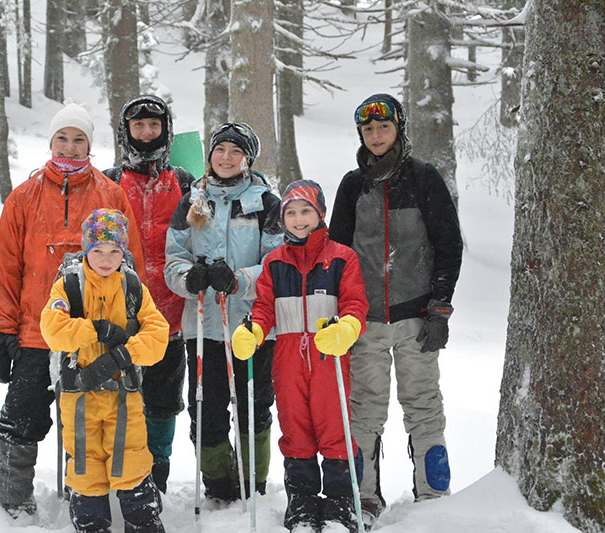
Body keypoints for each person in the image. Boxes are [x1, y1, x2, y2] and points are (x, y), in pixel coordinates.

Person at [0, 101, 146, 519]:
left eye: (79, 140)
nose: (71, 147)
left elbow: (134, 268)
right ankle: (13, 502)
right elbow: (5, 269)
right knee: (21, 417)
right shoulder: (24, 197)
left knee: (97, 421)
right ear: (51, 140)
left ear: (90, 144)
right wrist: (0, 330)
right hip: (37, 332)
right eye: (63, 138)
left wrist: (130, 326)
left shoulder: (111, 194)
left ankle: (98, 497)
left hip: (99, 335)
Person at [328, 93, 463, 527]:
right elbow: (338, 252)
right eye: (368, 130)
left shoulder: (424, 178)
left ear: (398, 129)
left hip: (416, 319)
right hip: (364, 320)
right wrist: (343, 312)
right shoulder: (352, 185)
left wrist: (439, 307)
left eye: (383, 127)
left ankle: (434, 495)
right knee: (364, 410)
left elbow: (448, 244)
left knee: (424, 406)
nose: (376, 136)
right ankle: (363, 499)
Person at [232, 180, 369, 531]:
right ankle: (303, 499)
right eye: (290, 212)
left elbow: (355, 302)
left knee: (334, 424)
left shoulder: (341, 257)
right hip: (289, 355)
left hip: (329, 356)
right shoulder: (275, 262)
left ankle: (340, 500)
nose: (298, 219)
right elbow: (263, 307)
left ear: (320, 214)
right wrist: (254, 331)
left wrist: (348, 328)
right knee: (295, 425)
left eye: (306, 210)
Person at [164, 123, 284, 502]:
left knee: (254, 407)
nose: (227, 158)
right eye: (221, 150)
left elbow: (277, 262)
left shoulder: (267, 202)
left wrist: (239, 279)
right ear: (210, 155)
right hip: (205, 325)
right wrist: (189, 277)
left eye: (236, 152)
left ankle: (253, 483)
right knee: (207, 410)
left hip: (254, 323)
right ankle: (219, 484)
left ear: (248, 158)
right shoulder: (192, 200)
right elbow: (173, 260)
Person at [40, 208, 169, 532]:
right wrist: (95, 330)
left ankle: (142, 520)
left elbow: (158, 334)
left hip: (123, 396)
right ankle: (90, 521)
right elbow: (52, 330)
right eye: (97, 250)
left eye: (114, 251)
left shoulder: (133, 288)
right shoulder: (69, 285)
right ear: (86, 249)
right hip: (79, 396)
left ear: (123, 252)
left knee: (131, 461)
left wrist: (125, 354)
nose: (106, 258)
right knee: (85, 467)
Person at [103, 95, 194, 493]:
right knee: (117, 402)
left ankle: (156, 478)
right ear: (126, 132)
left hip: (170, 318)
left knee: (162, 403)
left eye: (153, 126)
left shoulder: (186, 182)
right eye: (138, 126)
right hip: (116, 319)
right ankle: (114, 475)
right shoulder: (108, 181)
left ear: (165, 130)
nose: (146, 133)